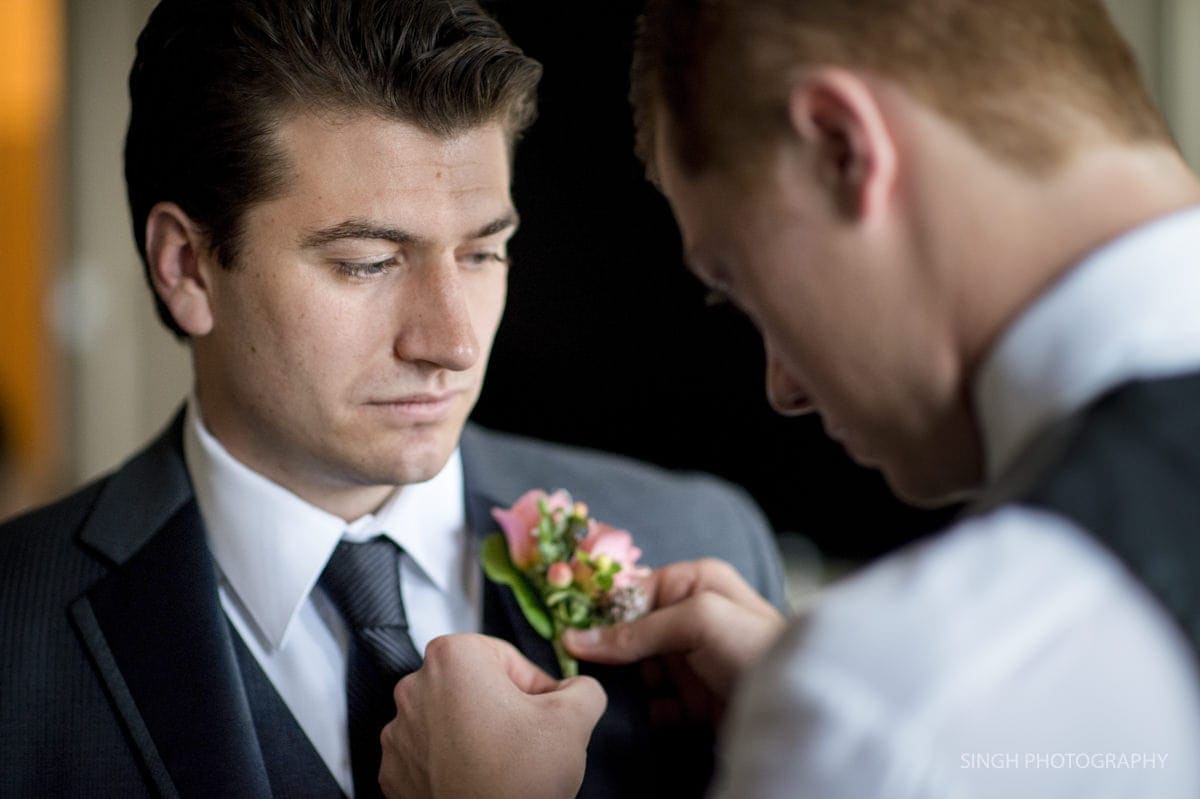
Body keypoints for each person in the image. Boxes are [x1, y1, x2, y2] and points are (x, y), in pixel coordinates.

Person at [378, 0, 1200, 796]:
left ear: (842, 149)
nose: (783, 386)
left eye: (735, 282)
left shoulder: (901, 704)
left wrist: (833, 732)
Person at [0, 1, 786, 797]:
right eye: (369, 261)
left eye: (483, 252)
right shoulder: (11, 634)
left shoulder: (706, 547)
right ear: (188, 268)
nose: (452, 342)